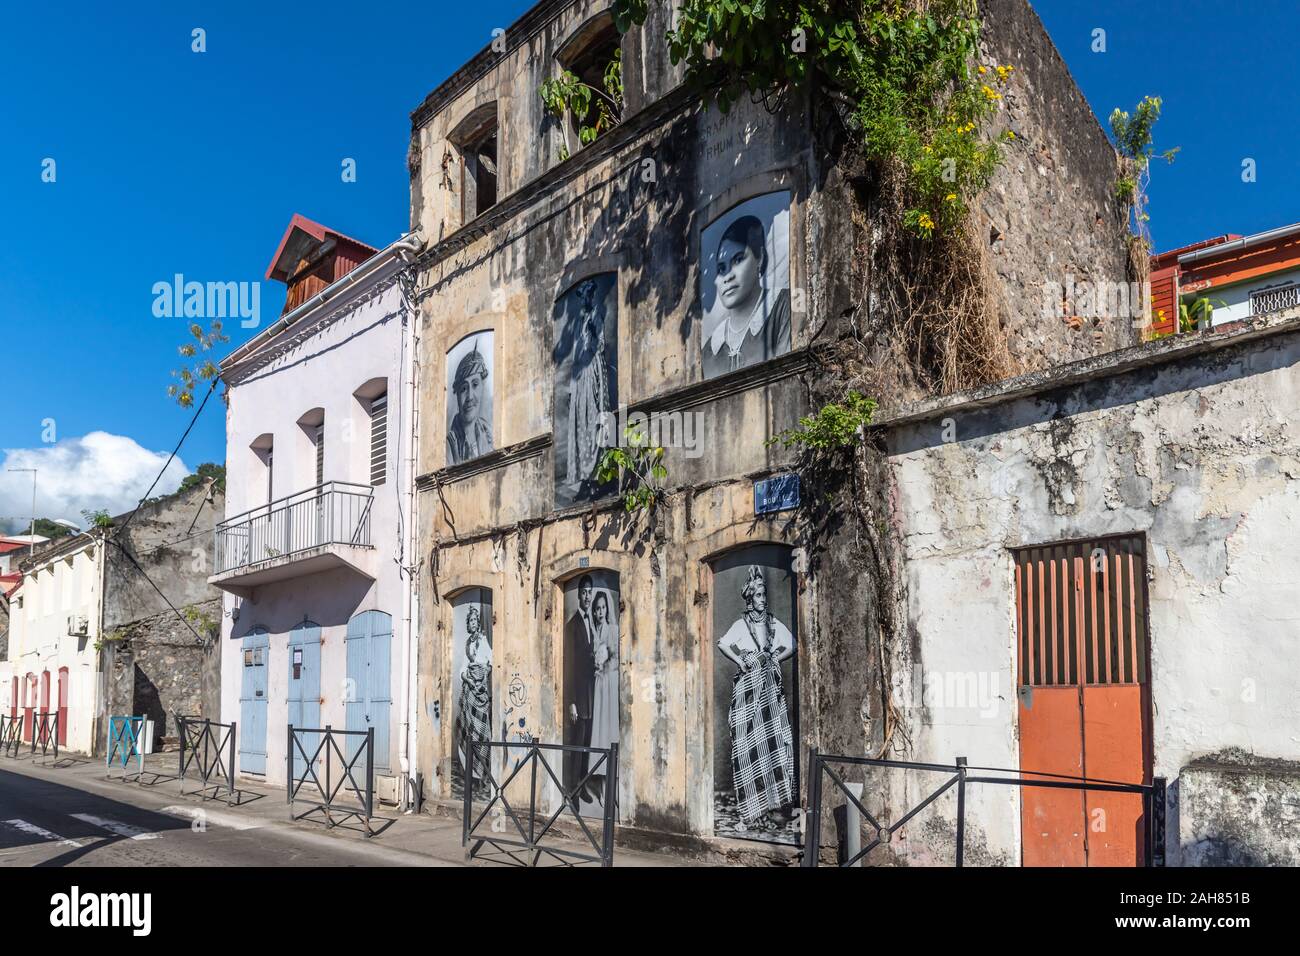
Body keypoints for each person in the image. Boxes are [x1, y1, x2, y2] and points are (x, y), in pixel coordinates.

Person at [717, 565, 796, 824]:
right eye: (759, 595)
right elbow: (723, 643)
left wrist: (774, 656)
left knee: (773, 747)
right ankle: (751, 811)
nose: (763, 600)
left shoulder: (772, 623)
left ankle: (775, 806)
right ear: (750, 598)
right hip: (748, 694)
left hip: (771, 696)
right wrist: (741, 661)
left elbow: (793, 644)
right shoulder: (741, 624)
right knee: (747, 748)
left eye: (765, 595)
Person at [703, 214, 791, 379]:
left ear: (760, 258)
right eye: (721, 269)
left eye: (738, 260)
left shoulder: (784, 305)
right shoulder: (709, 350)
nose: (728, 276)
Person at [564, 280, 613, 491]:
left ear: (592, 297)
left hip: (593, 369)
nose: (585, 300)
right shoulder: (579, 322)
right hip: (581, 374)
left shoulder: (595, 317)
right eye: (583, 297)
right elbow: (574, 354)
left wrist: (593, 332)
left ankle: (597, 476)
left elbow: (600, 345)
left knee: (595, 419)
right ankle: (585, 477)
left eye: (588, 296)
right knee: (582, 422)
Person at [563, 574, 597, 807]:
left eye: (589, 592)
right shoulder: (572, 625)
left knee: (586, 745)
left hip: (591, 695)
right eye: (583, 592)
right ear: (578, 595)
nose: (587, 596)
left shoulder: (592, 622)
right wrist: (572, 702)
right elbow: (569, 665)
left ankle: (582, 784)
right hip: (579, 697)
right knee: (576, 746)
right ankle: (573, 791)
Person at [456, 605, 492, 795]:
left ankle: (482, 777)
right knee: (469, 734)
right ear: (468, 625)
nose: (473, 624)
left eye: (475, 621)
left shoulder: (483, 642)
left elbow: (490, 663)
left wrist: (481, 679)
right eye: (470, 621)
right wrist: (469, 679)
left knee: (481, 735)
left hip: (481, 693)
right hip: (469, 692)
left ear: (478, 623)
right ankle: (471, 777)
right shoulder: (467, 645)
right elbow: (462, 669)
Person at [586, 591, 619, 796]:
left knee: (609, 730)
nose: (600, 612)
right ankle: (599, 778)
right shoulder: (593, 631)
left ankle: (611, 783)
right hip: (598, 684)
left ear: (607, 609)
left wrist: (606, 661)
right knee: (597, 731)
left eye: (603, 608)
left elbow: (618, 659)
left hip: (609, 684)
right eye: (597, 608)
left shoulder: (613, 630)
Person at [447, 343, 493, 464]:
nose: (469, 397)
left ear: (482, 386)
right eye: (463, 389)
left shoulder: (488, 432)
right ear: (456, 394)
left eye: (475, 385)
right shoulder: (450, 443)